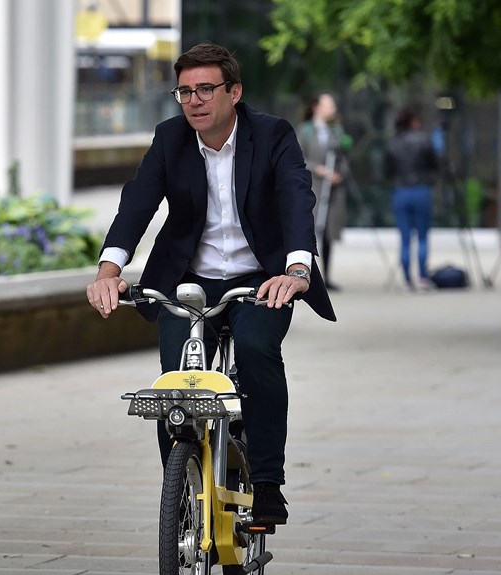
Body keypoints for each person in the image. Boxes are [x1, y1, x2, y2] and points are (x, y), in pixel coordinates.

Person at [85, 43, 336, 525]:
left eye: (205, 89)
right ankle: (177, 493)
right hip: (189, 280)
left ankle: (266, 483)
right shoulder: (170, 138)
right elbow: (138, 203)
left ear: (234, 92)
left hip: (263, 277)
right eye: (184, 91)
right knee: (174, 381)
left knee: (257, 347)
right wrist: (109, 270)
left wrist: (297, 270)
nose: (194, 100)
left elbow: (295, 198)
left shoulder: (272, 134)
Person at [383, 107, 439, 292]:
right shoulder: (424, 140)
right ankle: (423, 277)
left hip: (401, 192)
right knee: (422, 236)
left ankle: (407, 280)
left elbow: (387, 171)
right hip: (421, 190)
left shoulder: (393, 143)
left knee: (405, 238)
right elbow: (434, 164)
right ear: (413, 122)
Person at [297, 93, 348, 291]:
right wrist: (320, 169)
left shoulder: (336, 131)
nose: (333, 109)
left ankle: (326, 277)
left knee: (328, 234)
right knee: (313, 232)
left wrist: (338, 174)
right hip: (315, 189)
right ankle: (310, 277)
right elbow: (299, 157)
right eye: (329, 105)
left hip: (333, 191)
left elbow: (342, 157)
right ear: (317, 107)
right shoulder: (305, 130)